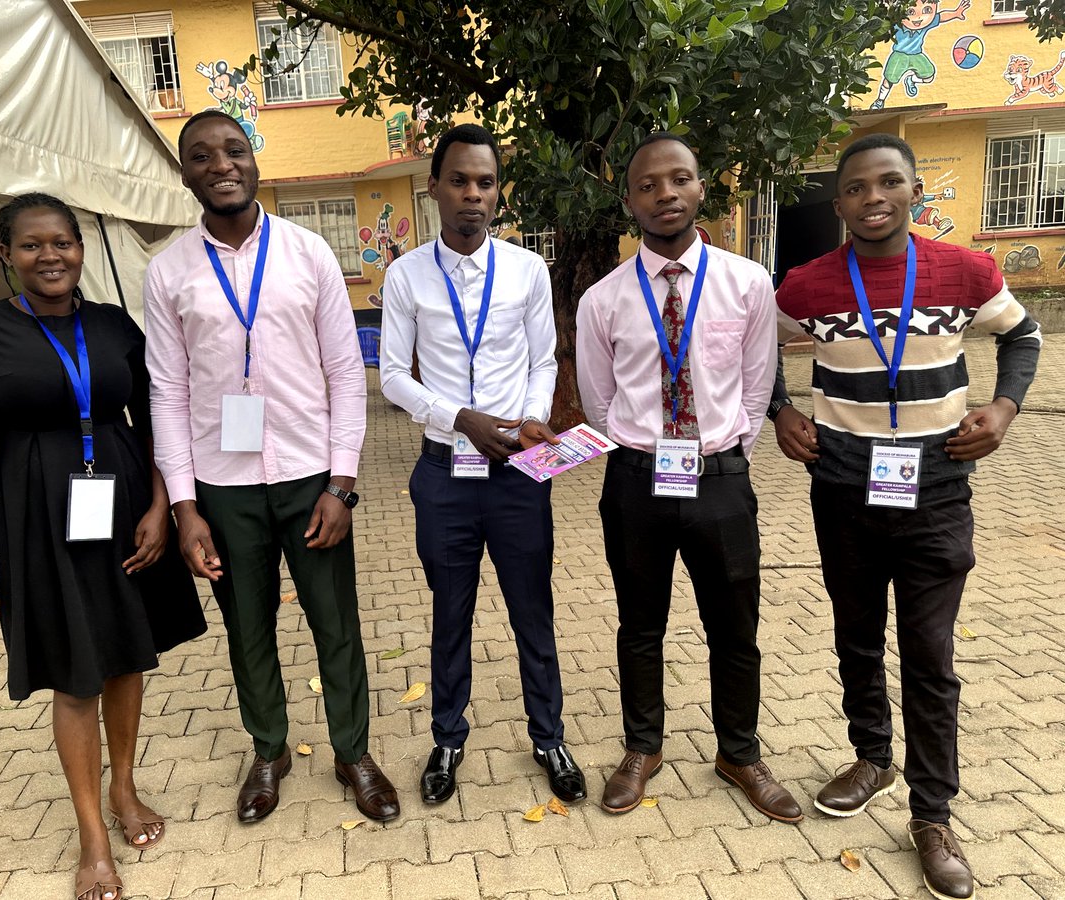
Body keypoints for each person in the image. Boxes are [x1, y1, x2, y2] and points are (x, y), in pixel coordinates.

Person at [771, 133, 1040, 900]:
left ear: (915, 191)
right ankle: (872, 758)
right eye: (857, 188)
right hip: (842, 483)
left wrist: (1004, 408)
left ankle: (932, 814)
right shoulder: (810, 284)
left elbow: (1022, 334)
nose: (874, 198)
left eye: (890, 183)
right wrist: (779, 409)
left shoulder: (965, 270)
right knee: (855, 634)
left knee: (928, 652)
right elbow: (751, 347)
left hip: (938, 484)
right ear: (839, 203)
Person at [0, 193, 207, 900]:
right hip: (38, 520)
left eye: (62, 242)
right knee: (75, 671)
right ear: (6, 254)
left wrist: (160, 507)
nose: (50, 256)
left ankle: (125, 789)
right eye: (32, 245)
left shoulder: (113, 324)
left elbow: (155, 417)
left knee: (125, 654)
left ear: (81, 248)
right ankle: (91, 835)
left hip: (124, 509)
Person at [143, 110, 400, 825]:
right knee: (247, 627)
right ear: (186, 173)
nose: (221, 165)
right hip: (223, 487)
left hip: (310, 477)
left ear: (254, 159)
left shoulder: (308, 252)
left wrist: (343, 484)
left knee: (335, 624)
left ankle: (352, 752)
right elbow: (166, 391)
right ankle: (269, 750)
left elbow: (345, 372)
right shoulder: (168, 271)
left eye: (233, 150)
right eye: (202, 155)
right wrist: (185, 506)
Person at [576, 133, 801, 822]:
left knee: (734, 627)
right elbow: (598, 399)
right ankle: (642, 748)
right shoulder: (603, 300)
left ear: (702, 187)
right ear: (629, 201)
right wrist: (646, 446)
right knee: (640, 625)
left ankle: (739, 752)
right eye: (647, 185)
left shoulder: (747, 283)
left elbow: (757, 384)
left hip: (720, 479)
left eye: (679, 179)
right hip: (635, 481)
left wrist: (724, 454)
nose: (665, 194)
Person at [380, 123, 586, 805]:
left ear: (498, 192)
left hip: (518, 473)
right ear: (434, 187)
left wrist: (530, 419)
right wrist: (457, 417)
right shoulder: (407, 275)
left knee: (533, 609)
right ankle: (447, 738)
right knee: (451, 613)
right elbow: (392, 376)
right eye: (460, 180)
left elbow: (542, 360)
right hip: (444, 474)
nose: (473, 193)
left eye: (486, 182)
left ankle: (549, 736)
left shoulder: (526, 270)